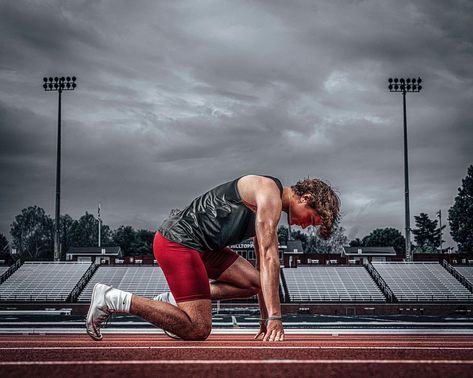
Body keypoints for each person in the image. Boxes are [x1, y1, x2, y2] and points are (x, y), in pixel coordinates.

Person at [86, 175, 340, 342]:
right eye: (313, 219)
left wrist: (265, 319)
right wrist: (276, 318)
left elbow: (264, 269)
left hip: (204, 248)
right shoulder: (268, 192)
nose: (307, 227)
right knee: (198, 329)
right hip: (178, 242)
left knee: (255, 281)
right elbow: (269, 256)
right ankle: (111, 298)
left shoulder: (268, 206)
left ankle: (174, 301)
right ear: (306, 198)